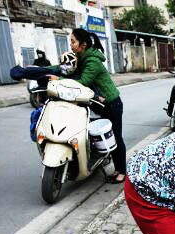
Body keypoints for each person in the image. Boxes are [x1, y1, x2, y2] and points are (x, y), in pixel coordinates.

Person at [48, 29, 126, 184]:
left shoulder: (92, 61)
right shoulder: (81, 57)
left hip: (111, 104)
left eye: (73, 41)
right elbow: (66, 67)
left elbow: (83, 82)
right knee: (89, 133)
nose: (71, 44)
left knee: (115, 138)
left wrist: (60, 79)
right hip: (97, 103)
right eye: (71, 41)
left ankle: (121, 171)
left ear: (82, 45)